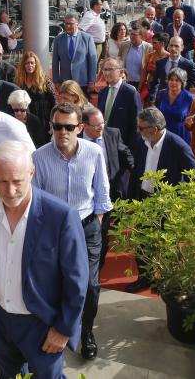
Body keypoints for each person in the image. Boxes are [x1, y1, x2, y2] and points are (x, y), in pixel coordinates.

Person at [0, 141, 87, 379]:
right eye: (2, 182)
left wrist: (63, 329)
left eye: (17, 182)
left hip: (42, 322)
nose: (10, 191)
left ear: (31, 173)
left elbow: (77, 280)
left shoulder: (61, 216)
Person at [31, 103, 111, 361]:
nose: (62, 132)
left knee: (89, 285)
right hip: (53, 230)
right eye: (57, 126)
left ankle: (85, 331)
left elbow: (102, 194)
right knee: (55, 282)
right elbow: (36, 201)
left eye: (68, 127)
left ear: (80, 128)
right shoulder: (39, 157)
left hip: (87, 226)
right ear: (51, 127)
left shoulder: (94, 153)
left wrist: (96, 223)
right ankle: (60, 327)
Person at [124, 107, 195, 292]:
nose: (138, 131)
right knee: (142, 243)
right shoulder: (142, 141)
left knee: (168, 246)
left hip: (165, 203)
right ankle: (145, 277)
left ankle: (168, 281)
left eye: (141, 128)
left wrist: (185, 205)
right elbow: (136, 171)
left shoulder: (178, 145)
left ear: (155, 129)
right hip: (143, 199)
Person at [80, 107, 133, 270]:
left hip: (108, 193)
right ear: (84, 126)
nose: (101, 128)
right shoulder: (76, 139)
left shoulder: (112, 133)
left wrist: (132, 166)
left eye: (102, 123)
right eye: (96, 125)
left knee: (102, 232)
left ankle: (97, 265)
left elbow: (124, 152)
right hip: (84, 194)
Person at [98, 58, 142, 149]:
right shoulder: (102, 92)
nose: (106, 73)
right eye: (105, 69)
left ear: (121, 72)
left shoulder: (130, 93)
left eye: (110, 69)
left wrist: (131, 148)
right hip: (104, 142)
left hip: (123, 144)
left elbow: (136, 124)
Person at [148, 36, 195, 105]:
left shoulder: (189, 65)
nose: (173, 49)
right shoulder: (160, 63)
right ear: (168, 47)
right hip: (162, 102)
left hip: (181, 103)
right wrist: (152, 98)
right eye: (171, 45)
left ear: (182, 48)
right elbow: (155, 82)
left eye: (177, 46)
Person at [52, 14, 98, 94]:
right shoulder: (58, 39)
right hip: (66, 82)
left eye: (71, 24)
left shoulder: (87, 38)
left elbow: (92, 61)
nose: (68, 26)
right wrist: (56, 81)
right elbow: (55, 62)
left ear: (77, 24)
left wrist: (92, 81)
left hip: (83, 82)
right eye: (66, 24)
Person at [15, 50, 56, 130]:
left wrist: (52, 119)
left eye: (32, 63)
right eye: (27, 63)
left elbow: (53, 100)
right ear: (23, 65)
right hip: (26, 118)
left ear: (36, 64)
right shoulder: (19, 82)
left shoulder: (45, 80)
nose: (30, 65)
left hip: (43, 119)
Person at [156, 68, 195, 144]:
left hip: (181, 137)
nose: (173, 82)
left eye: (177, 80)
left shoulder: (189, 98)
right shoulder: (161, 94)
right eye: (171, 79)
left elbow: (192, 122)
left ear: (182, 82)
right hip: (163, 136)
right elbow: (157, 114)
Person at [119, 26, 153, 95]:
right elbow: (119, 61)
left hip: (141, 82)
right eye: (131, 34)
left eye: (135, 35)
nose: (131, 36)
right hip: (125, 81)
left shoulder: (148, 47)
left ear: (141, 36)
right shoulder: (124, 45)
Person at [140, 32, 170, 102]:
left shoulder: (169, 57)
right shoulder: (150, 56)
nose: (152, 45)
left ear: (162, 43)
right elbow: (144, 73)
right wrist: (140, 88)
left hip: (164, 88)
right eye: (152, 42)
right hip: (149, 87)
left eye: (155, 43)